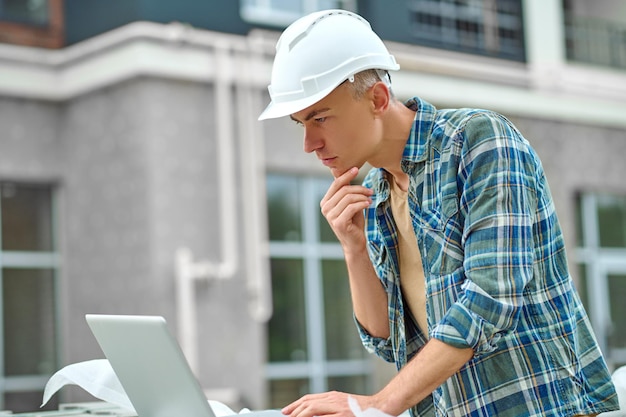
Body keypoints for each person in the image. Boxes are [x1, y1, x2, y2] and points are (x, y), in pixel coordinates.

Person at [258, 9, 620, 417]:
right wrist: (353, 248)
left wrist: (376, 405)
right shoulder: (377, 192)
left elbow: (489, 300)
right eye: (300, 124)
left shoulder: (479, 141)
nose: (309, 143)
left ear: (377, 98)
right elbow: (390, 341)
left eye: (320, 118)